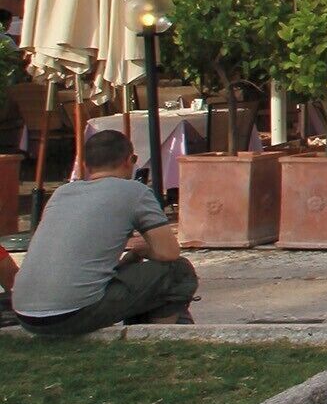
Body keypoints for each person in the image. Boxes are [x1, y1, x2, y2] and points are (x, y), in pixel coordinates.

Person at [10, 130, 198, 336]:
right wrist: (143, 250)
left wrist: (132, 257)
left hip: (25, 314)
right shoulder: (134, 191)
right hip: (71, 314)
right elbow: (168, 253)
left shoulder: (61, 194)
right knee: (179, 271)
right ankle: (158, 336)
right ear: (130, 161)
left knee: (133, 270)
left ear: (85, 166)